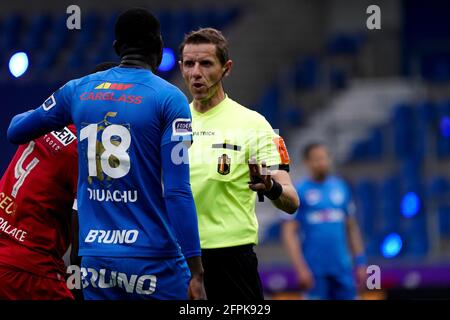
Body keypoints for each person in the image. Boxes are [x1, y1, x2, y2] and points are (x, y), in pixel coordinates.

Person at [7, 8, 205, 300]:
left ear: (116, 47)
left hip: (96, 260)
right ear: (157, 47)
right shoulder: (170, 98)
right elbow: (177, 191)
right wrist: (196, 269)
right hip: (153, 258)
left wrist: (64, 107)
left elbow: (15, 131)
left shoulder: (77, 90)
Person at [178, 27, 299, 300]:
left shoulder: (254, 125)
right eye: (189, 64)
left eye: (206, 63)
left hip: (230, 258)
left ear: (226, 68)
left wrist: (270, 187)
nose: (196, 72)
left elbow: (291, 201)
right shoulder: (171, 122)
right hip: (178, 258)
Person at [0, 62, 118, 300]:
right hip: (30, 269)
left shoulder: (44, 120)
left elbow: (14, 126)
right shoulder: (91, 148)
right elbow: (83, 230)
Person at [281, 142, 367, 300]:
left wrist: (360, 261)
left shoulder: (341, 187)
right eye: (316, 159)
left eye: (324, 158)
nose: (322, 162)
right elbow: (289, 233)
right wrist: (300, 268)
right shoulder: (299, 191)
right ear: (307, 162)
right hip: (314, 270)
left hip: (342, 267)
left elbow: (351, 228)